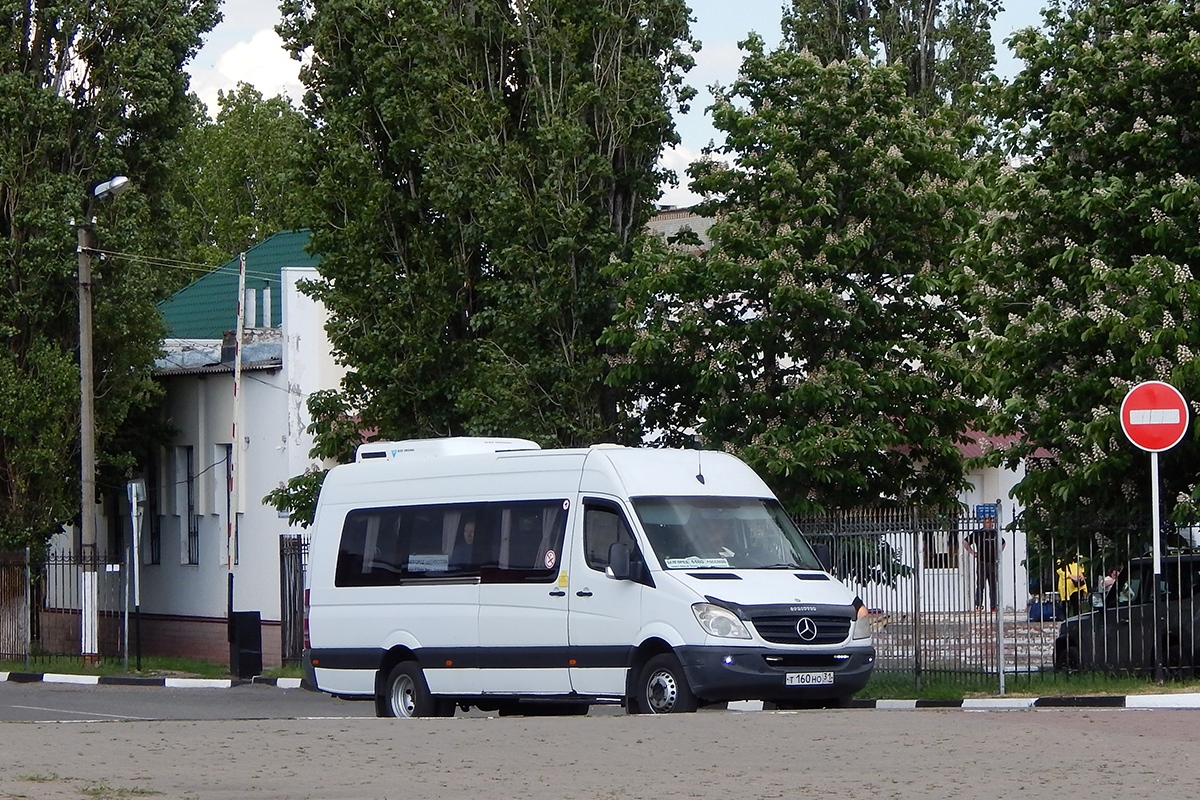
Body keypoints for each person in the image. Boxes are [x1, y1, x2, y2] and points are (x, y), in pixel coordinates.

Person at [963, 512, 1005, 611]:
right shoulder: (978, 533)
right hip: (981, 562)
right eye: (988, 522)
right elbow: (965, 542)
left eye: (992, 522)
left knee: (993, 586)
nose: (991, 524)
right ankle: (978, 605)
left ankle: (994, 606)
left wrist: (998, 553)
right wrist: (972, 552)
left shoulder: (995, 533)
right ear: (984, 523)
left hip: (992, 562)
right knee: (980, 585)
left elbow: (1003, 543)